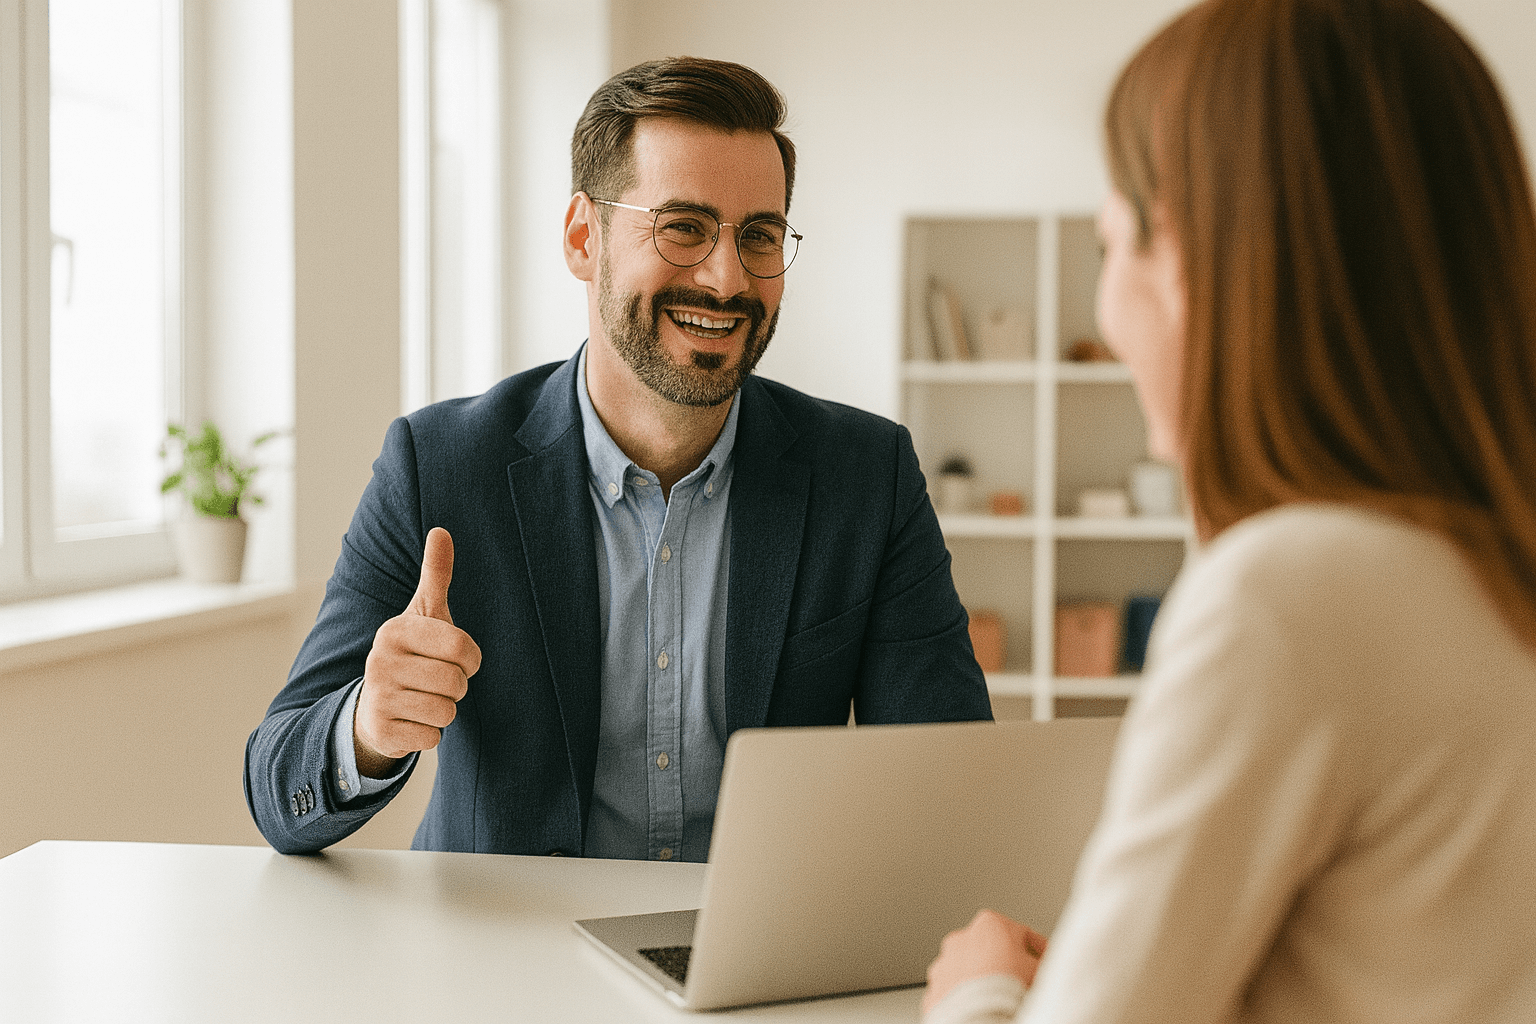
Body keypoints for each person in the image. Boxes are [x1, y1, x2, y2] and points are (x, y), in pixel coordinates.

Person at [922, 0, 1536, 1021]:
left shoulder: (1293, 594)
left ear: (1216, 264)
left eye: (1114, 245)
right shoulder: (1490, 571)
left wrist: (978, 990)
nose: (1109, 320)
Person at [243, 57, 991, 861]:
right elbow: (276, 788)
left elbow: (949, 783)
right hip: (508, 963)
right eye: (683, 227)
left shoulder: (866, 477)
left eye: (760, 236)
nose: (726, 277)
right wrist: (368, 725)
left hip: (753, 958)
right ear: (582, 238)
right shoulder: (439, 464)